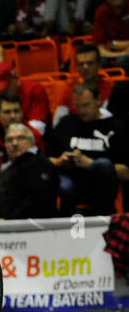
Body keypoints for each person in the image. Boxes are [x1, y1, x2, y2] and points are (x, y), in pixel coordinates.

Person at [47, 83, 128, 214]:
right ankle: (65, 223)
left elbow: (126, 172)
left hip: (100, 184)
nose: (81, 111)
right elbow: (46, 159)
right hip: (71, 180)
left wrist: (90, 164)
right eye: (77, 106)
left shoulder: (116, 127)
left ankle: (104, 218)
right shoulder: (66, 124)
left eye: (86, 105)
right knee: (62, 184)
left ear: (98, 101)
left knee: (103, 164)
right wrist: (60, 161)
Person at [0, 122, 59, 220]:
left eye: (20, 138)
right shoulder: (9, 167)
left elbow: (39, 202)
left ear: (32, 142)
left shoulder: (40, 165)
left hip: (23, 228)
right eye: (9, 140)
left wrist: (7, 220)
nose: (14, 143)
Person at [54, 44, 114, 123]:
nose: (85, 67)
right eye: (81, 64)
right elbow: (58, 120)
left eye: (90, 63)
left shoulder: (111, 89)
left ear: (99, 64)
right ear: (76, 67)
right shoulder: (70, 89)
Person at [92, 0, 129, 69]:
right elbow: (99, 48)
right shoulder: (101, 12)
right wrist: (121, 53)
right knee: (99, 61)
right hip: (114, 55)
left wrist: (115, 44)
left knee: (123, 61)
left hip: (121, 55)